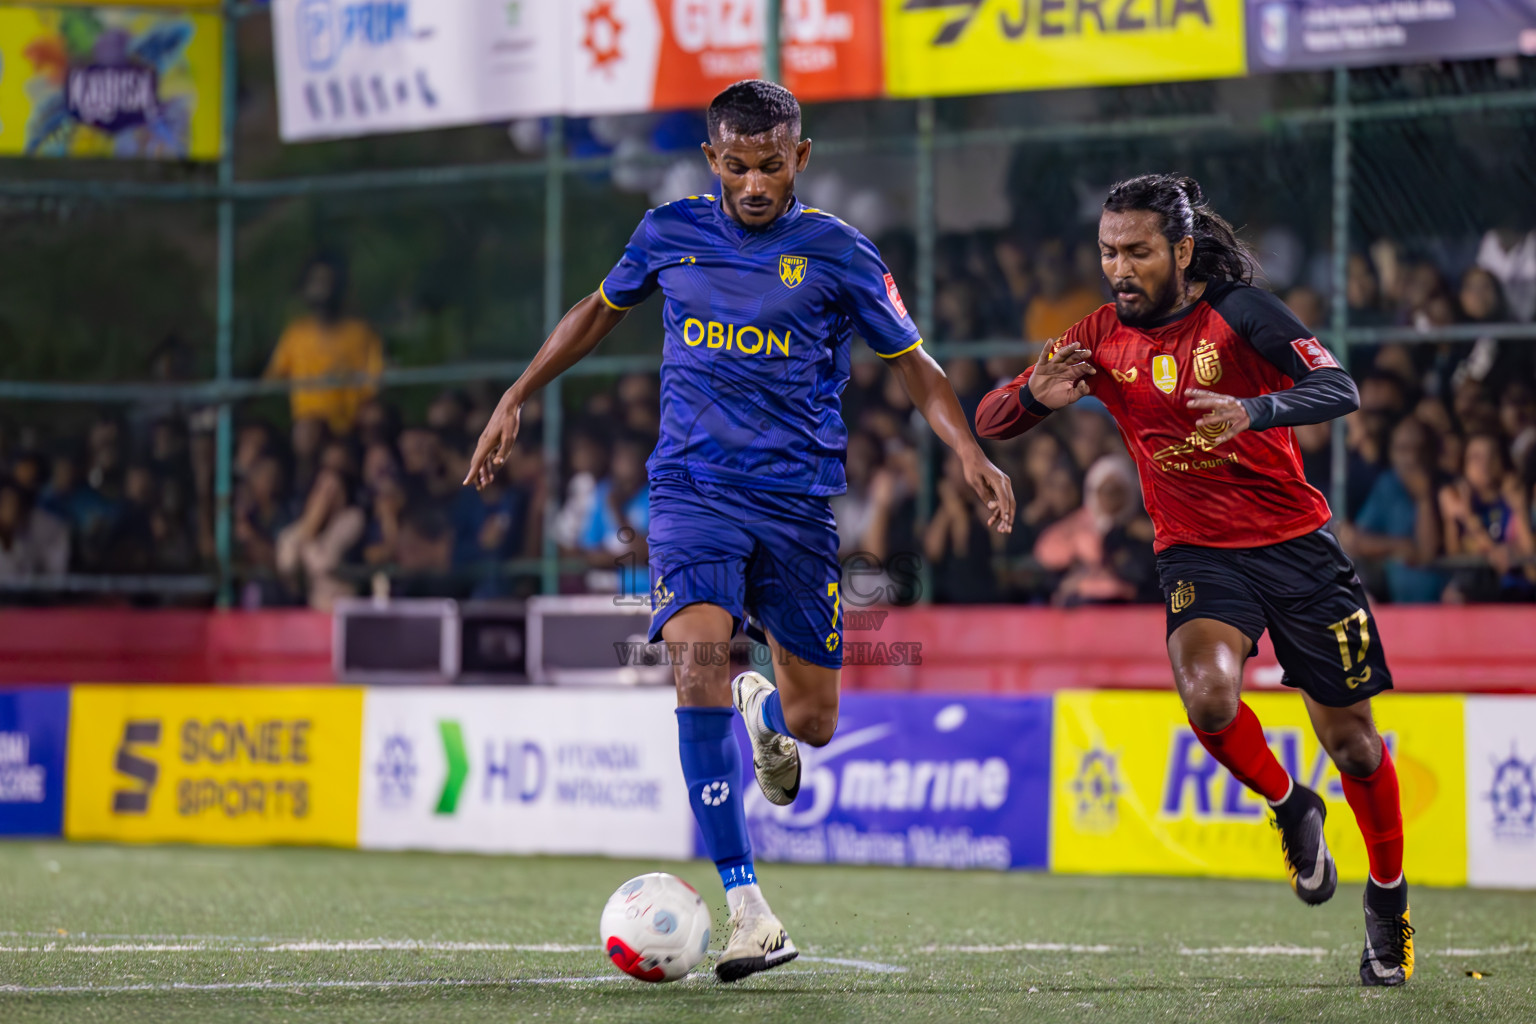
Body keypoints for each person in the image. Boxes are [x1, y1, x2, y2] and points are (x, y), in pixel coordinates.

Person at [465, 79, 1013, 982]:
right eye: (737, 165)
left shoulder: (840, 253)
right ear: (712, 159)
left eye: (771, 165)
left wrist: (968, 451)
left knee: (816, 722)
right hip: (690, 492)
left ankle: (763, 703)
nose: (754, 184)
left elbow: (916, 368)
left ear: (800, 158)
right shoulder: (666, 232)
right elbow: (599, 311)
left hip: (796, 505)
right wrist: (518, 394)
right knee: (694, 668)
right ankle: (748, 908)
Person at [975, 174, 1413, 987]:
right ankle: (1291, 805)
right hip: (1197, 553)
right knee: (1208, 699)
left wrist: (1256, 411)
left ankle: (1388, 903)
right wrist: (1032, 394)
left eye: (1137, 251)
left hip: (1299, 548)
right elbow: (989, 421)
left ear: (1179, 250)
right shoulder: (1098, 336)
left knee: (1353, 745)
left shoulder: (1240, 312)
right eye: (1108, 251)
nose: (1120, 268)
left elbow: (1338, 386)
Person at [264, 254, 384, 438]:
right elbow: (273, 377)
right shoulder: (295, 335)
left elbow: (374, 381)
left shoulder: (361, 333)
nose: (322, 287)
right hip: (308, 423)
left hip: (352, 424)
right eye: (316, 280)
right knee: (306, 431)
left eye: (327, 280)